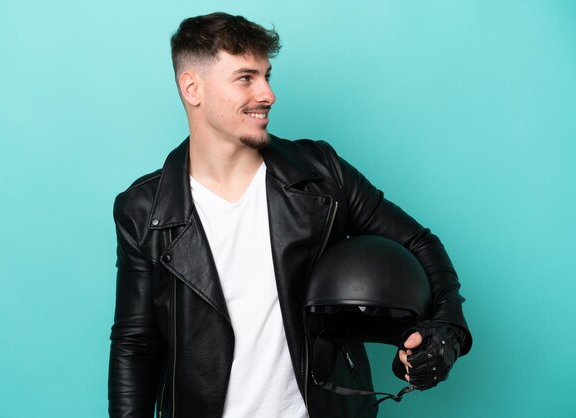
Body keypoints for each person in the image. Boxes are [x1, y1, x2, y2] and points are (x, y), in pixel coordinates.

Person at [108, 12, 471, 418]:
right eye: (246, 78)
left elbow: (418, 243)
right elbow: (135, 342)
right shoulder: (143, 211)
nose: (267, 94)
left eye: (267, 76)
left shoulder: (322, 174)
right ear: (192, 87)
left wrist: (447, 330)